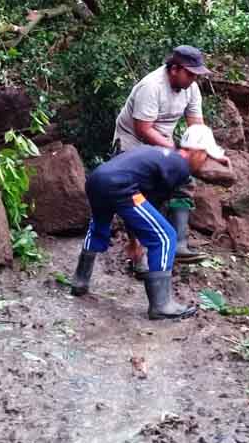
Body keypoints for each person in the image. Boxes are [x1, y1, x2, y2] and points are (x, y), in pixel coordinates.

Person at [69, 125, 227, 320]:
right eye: (206, 156)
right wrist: (137, 240)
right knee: (165, 237)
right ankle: (161, 305)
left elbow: (137, 209)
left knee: (99, 227)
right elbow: (147, 207)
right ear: (197, 152)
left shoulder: (162, 155)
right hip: (119, 185)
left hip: (97, 180)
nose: (204, 162)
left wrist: (134, 242)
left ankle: (80, 280)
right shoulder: (179, 167)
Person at [112, 46, 211, 272]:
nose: (194, 78)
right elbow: (143, 129)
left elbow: (196, 122)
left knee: (184, 181)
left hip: (162, 140)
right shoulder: (152, 86)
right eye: (190, 73)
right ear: (174, 69)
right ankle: (137, 252)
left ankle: (179, 244)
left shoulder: (191, 88)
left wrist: (200, 148)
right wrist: (176, 150)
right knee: (135, 196)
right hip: (132, 141)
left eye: (196, 74)